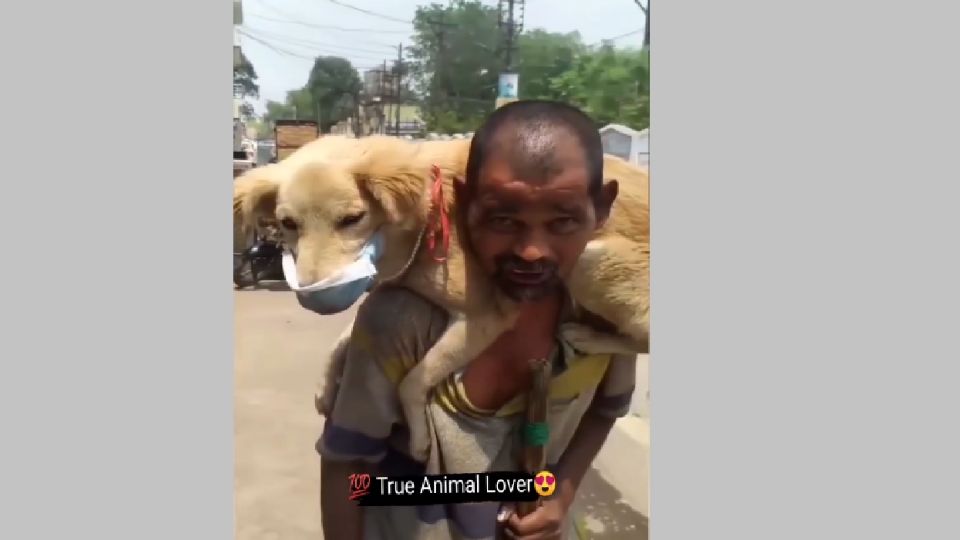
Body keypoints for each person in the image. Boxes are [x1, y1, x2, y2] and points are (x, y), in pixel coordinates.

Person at [315, 100, 638, 540]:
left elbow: (606, 410)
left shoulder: (603, 314)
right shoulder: (403, 323)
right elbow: (348, 467)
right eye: (503, 219)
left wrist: (558, 497)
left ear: (601, 209)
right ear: (464, 202)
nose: (531, 251)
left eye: (562, 222)